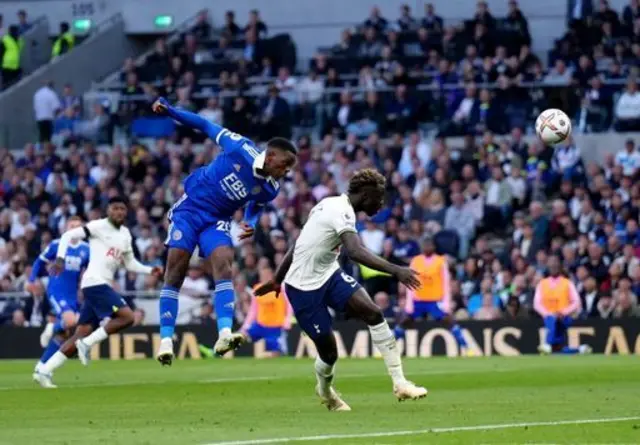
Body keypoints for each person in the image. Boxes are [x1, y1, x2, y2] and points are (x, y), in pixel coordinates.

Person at [255, 169, 427, 411]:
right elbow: (354, 252)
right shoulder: (340, 211)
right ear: (366, 195)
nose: (381, 203)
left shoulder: (331, 204)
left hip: (329, 275)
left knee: (374, 313)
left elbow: (299, 242)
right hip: (303, 288)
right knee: (329, 353)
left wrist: (275, 279)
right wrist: (396, 270)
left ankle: (400, 383)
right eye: (378, 197)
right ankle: (325, 391)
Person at [151, 97, 297, 365]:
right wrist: (171, 110)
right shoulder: (240, 147)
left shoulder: (271, 188)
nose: (286, 171)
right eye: (284, 165)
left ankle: (225, 333)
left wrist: (251, 222)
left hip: (217, 219)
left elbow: (257, 205)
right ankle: (166, 341)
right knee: (176, 269)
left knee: (224, 263)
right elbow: (204, 124)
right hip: (190, 210)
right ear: (271, 156)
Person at [33, 197, 162, 388]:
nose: (119, 211)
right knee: (128, 317)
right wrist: (60, 258)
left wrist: (149, 270)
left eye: (122, 208)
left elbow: (129, 263)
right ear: (108, 210)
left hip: (102, 285)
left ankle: (44, 370)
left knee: (80, 332)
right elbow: (68, 236)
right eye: (115, 208)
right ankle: (87, 344)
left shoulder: (125, 234)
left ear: (126, 212)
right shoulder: (97, 226)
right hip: (94, 283)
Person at [27, 216, 89, 380]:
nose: (74, 229)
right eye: (71, 226)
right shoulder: (57, 244)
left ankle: (41, 368)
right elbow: (39, 262)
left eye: (78, 226)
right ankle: (51, 327)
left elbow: (90, 270)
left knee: (64, 335)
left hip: (72, 294)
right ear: (66, 228)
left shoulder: (86, 249)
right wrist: (32, 279)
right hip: (56, 291)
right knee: (71, 321)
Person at [394, 236, 471, 356]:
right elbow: (410, 281)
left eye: (429, 245)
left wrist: (446, 302)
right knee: (404, 321)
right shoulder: (416, 261)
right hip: (418, 299)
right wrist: (409, 302)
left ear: (433, 247)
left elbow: (446, 282)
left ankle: (466, 347)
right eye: (424, 246)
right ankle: (387, 349)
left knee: (449, 321)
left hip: (435, 300)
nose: (426, 248)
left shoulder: (440, 261)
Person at [534, 255, 592, 355]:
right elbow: (537, 304)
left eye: (555, 262)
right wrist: (548, 314)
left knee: (554, 321)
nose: (553, 265)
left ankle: (547, 343)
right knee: (557, 349)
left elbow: (576, 302)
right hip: (548, 317)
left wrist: (563, 312)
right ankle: (580, 349)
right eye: (551, 262)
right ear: (547, 265)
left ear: (560, 265)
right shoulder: (542, 284)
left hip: (565, 318)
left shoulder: (567, 283)